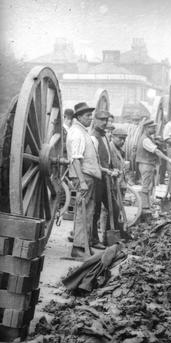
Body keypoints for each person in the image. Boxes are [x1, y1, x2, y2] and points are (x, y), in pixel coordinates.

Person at [66, 102, 101, 259]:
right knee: (82, 212)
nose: (90, 118)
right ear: (79, 117)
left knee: (88, 212)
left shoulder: (83, 132)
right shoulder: (77, 133)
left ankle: (84, 245)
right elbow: (75, 159)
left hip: (89, 176)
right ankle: (78, 248)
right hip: (84, 177)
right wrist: (82, 181)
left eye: (90, 115)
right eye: (87, 115)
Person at [91, 110, 123, 247]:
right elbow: (93, 162)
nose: (105, 123)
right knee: (95, 210)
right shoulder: (93, 137)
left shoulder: (104, 137)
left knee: (114, 208)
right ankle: (94, 240)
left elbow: (107, 158)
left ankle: (109, 238)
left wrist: (112, 168)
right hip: (97, 178)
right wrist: (107, 171)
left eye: (107, 120)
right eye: (102, 120)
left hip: (106, 179)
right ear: (95, 120)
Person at [136, 119, 171, 218]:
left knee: (149, 186)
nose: (154, 129)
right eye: (152, 128)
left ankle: (147, 205)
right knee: (145, 186)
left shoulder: (149, 138)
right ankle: (144, 208)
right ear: (146, 128)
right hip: (146, 165)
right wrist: (168, 159)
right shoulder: (145, 140)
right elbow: (156, 151)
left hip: (148, 164)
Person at [110, 127, 129, 198]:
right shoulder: (110, 148)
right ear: (112, 137)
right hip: (113, 181)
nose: (122, 141)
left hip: (120, 181)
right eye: (120, 138)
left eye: (124, 139)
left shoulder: (120, 150)